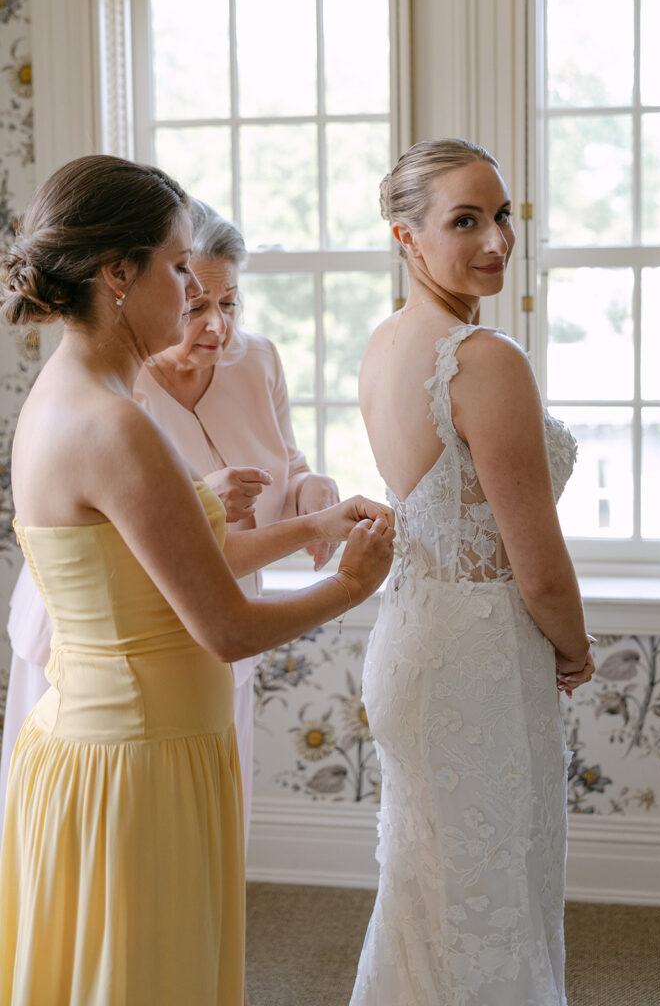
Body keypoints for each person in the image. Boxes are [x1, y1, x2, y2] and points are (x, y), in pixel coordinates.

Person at [0, 154, 394, 1006]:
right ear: (117, 274)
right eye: (178, 267)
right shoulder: (115, 424)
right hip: (139, 764)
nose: (191, 293)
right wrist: (350, 587)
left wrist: (311, 522)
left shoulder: (63, 395)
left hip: (126, 744)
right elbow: (228, 629)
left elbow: (167, 570)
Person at [0, 199, 341, 852]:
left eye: (230, 304)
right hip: (109, 637)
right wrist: (202, 502)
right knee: (94, 840)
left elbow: (286, 461)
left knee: (202, 827)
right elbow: (156, 534)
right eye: (194, 302)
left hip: (217, 622)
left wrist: (308, 489)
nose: (216, 326)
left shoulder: (258, 362)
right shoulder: (122, 389)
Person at [350, 139, 595, 1005]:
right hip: (482, 658)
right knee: (495, 894)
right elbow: (536, 564)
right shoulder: (485, 359)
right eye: (465, 221)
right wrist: (573, 646)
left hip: (411, 641)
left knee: (429, 892)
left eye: (502, 216)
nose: (495, 240)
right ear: (405, 238)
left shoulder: (383, 346)